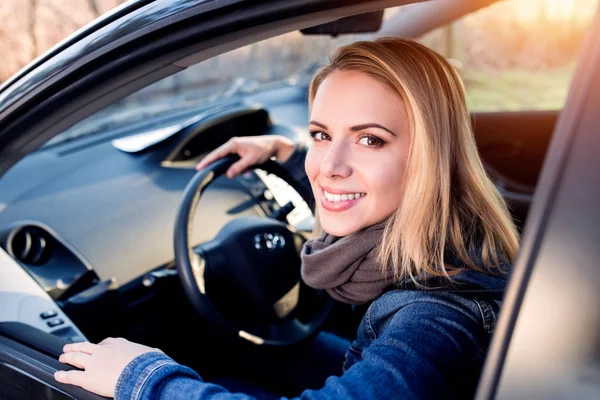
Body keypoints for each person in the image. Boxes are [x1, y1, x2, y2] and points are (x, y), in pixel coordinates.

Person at [54, 37, 519, 399]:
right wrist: (285, 155)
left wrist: (144, 379)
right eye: (321, 133)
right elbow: (340, 179)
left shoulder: (436, 318)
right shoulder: (450, 234)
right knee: (243, 348)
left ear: (430, 157)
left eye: (370, 139)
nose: (329, 166)